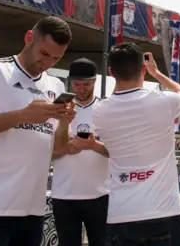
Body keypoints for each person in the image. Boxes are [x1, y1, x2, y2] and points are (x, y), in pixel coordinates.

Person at [0, 16, 76, 246]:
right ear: (29, 38)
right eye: (44, 53)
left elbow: (58, 149)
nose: (47, 63)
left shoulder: (55, 86)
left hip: (31, 210)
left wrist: (65, 122)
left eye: (56, 58)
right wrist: (21, 115)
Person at [92, 43, 180, 246]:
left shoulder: (100, 111)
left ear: (111, 72)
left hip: (120, 216)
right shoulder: (164, 102)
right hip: (164, 212)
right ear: (143, 69)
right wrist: (157, 73)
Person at [51, 58, 110, 246]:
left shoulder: (106, 109)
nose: (81, 89)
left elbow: (118, 151)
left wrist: (94, 146)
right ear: (70, 82)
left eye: (86, 84)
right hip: (64, 195)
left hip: (100, 195)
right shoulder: (57, 110)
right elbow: (46, 153)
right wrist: (65, 146)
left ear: (95, 81)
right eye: (77, 84)